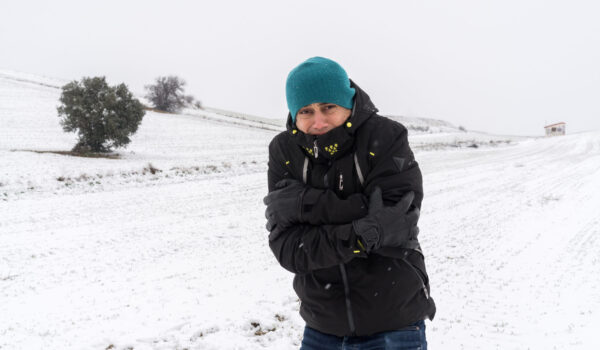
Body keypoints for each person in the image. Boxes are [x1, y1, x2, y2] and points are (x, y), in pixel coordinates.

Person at [264, 57, 436, 350]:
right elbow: (289, 249)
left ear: (348, 101)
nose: (318, 122)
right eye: (306, 111)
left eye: (328, 107)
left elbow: (397, 223)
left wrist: (304, 204)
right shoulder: (284, 150)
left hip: (393, 322)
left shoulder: (385, 136)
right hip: (321, 327)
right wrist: (363, 230)